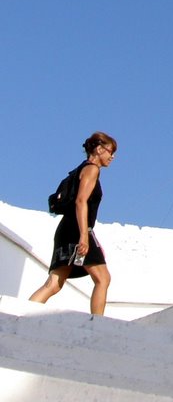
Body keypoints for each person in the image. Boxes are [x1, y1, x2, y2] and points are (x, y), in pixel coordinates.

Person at [29, 131, 117, 316]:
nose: (112, 156)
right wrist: (84, 236)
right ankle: (98, 324)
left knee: (54, 283)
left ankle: (21, 314)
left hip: (66, 229)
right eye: (111, 151)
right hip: (78, 229)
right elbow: (80, 201)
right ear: (99, 149)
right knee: (103, 278)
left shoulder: (80, 169)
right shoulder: (92, 169)